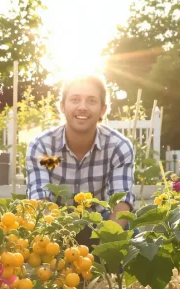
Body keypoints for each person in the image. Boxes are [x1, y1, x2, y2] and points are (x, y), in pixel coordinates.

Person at [25, 73, 135, 245]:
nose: (82, 107)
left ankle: (115, 270)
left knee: (130, 230)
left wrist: (105, 246)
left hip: (100, 224)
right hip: (55, 227)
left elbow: (122, 202)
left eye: (91, 101)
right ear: (62, 106)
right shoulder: (44, 147)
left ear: (103, 109)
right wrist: (57, 243)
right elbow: (40, 200)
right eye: (75, 99)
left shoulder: (118, 147)